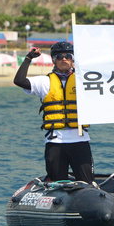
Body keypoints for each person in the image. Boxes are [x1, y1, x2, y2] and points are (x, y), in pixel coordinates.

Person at [13, 42, 94, 183]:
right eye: (60, 56)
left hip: (80, 141)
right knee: (57, 183)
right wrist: (28, 58)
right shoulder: (45, 82)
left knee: (86, 183)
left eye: (68, 56)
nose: (64, 59)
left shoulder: (84, 81)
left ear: (73, 59)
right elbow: (19, 81)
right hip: (55, 142)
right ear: (53, 60)